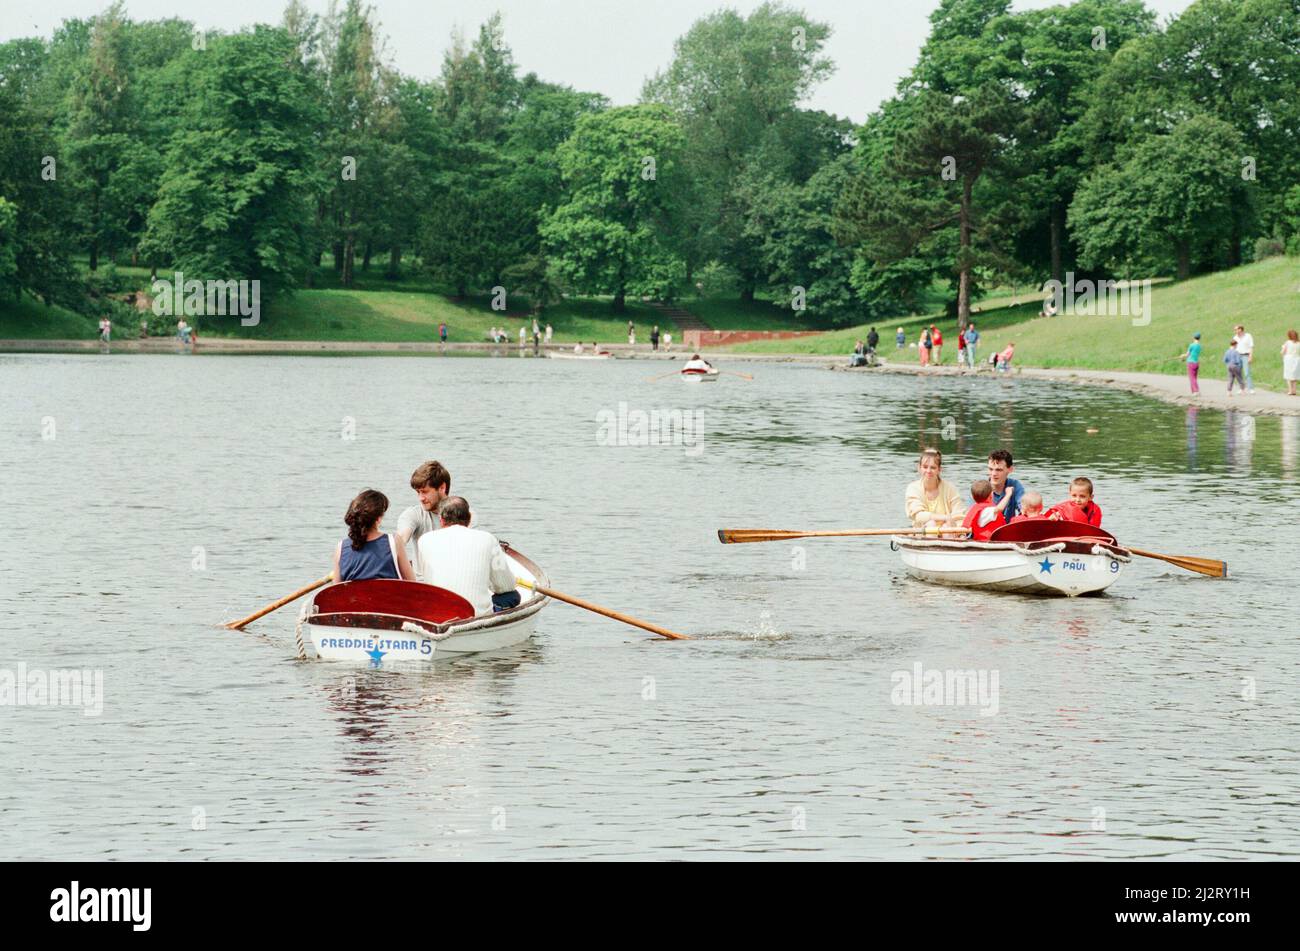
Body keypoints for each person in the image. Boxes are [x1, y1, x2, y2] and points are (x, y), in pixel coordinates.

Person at [418, 496, 520, 615]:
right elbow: (505, 586)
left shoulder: (424, 540)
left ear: (441, 520)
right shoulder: (488, 538)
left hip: (438, 614)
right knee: (512, 596)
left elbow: (424, 580)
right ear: (469, 519)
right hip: (475, 615)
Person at [333, 489, 416, 583]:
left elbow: (336, 591)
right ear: (378, 518)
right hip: (387, 597)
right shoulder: (394, 541)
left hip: (353, 598)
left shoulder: (340, 548)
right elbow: (412, 583)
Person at [395, 460, 452, 579]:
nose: (420, 498)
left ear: (442, 488)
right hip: (423, 585)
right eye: (418, 492)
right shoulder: (413, 514)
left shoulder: (466, 514)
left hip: (452, 583)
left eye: (425, 492)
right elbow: (401, 538)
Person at [904, 448, 966, 530]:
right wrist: (945, 517)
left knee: (946, 527)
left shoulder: (950, 488)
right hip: (923, 533)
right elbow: (918, 516)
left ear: (939, 470)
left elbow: (959, 516)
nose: (928, 471)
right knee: (931, 524)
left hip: (947, 533)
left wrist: (961, 534)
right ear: (919, 468)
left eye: (933, 468)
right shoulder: (913, 488)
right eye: (925, 467)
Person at [986, 449, 1024, 520]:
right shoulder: (979, 489)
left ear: (1010, 469)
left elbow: (1024, 509)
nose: (993, 474)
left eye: (999, 470)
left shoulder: (1015, 485)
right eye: (991, 469)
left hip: (1007, 529)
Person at [1233, 324, 1255, 393]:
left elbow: (1251, 346)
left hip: (1245, 355)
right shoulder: (1235, 338)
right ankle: (1241, 388)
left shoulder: (1248, 336)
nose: (1235, 331)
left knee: (1247, 372)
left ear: (1240, 329)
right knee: (1238, 373)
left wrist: (1250, 356)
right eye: (1235, 330)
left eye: (1236, 329)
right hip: (1238, 355)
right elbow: (1233, 348)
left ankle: (1251, 388)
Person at [1282, 329, 1300, 397]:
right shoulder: (1299, 343)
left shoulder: (1288, 342)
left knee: (1288, 375)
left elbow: (1283, 352)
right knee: (1294, 376)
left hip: (1289, 359)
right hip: (1297, 359)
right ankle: (1294, 390)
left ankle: (1290, 390)